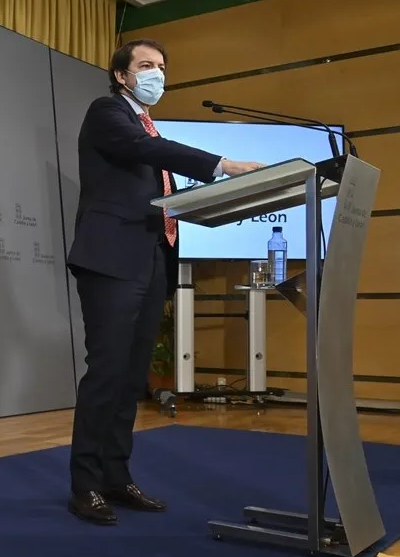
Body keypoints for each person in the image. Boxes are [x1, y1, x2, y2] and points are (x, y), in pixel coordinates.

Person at [66, 38, 265, 525]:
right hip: (112, 260)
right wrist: (221, 165)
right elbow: (142, 149)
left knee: (132, 377)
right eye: (145, 65)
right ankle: (85, 485)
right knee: (107, 373)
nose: (156, 73)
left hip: (152, 259)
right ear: (122, 76)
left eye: (161, 66)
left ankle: (116, 477)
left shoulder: (148, 127)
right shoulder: (109, 113)